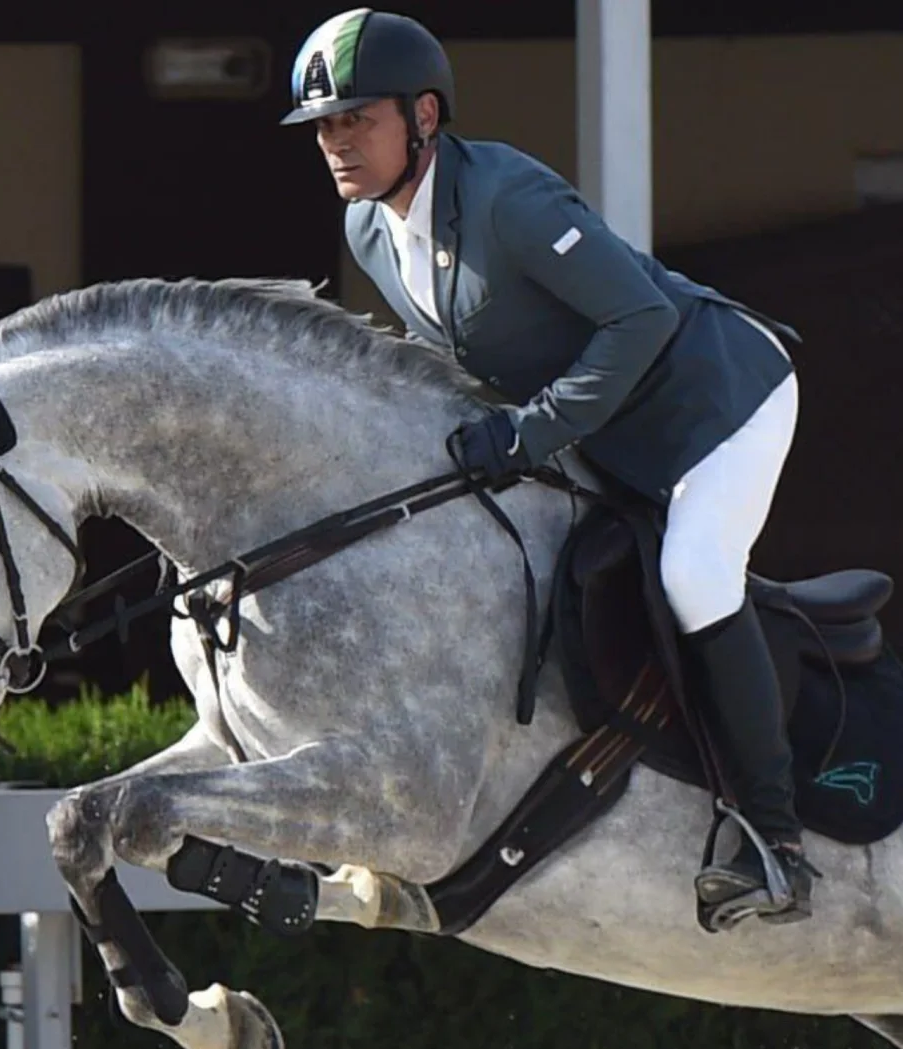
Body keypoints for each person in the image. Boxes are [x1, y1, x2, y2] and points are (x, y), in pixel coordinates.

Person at [280, 8, 817, 928]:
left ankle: (774, 840)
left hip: (718, 400)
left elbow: (642, 319)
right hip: (607, 429)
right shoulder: (370, 230)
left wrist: (527, 435)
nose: (336, 143)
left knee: (693, 575)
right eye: (324, 126)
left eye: (356, 119)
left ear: (424, 116)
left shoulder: (507, 199)